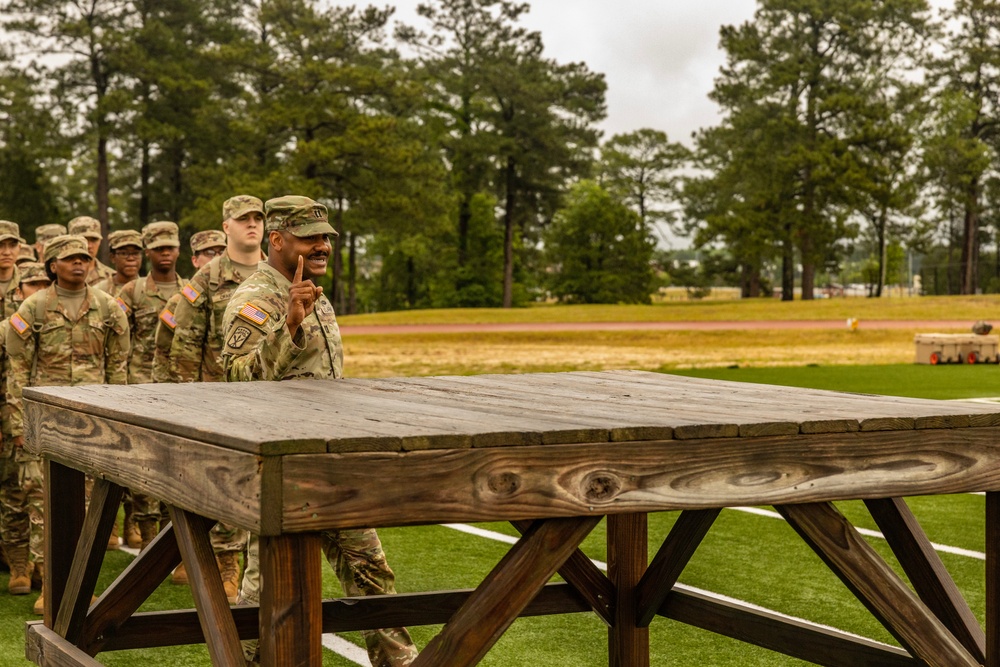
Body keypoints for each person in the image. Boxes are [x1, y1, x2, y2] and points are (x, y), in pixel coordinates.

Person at [222, 195, 418, 667]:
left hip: (329, 465)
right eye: (310, 238)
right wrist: (287, 325)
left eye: (326, 237)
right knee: (266, 591)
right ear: (277, 239)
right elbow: (236, 376)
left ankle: (398, 662)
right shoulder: (255, 299)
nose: (323, 246)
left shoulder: (316, 293)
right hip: (281, 471)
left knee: (370, 570)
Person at [4, 235, 129, 615]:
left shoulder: (109, 307)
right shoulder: (34, 307)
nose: (79, 263)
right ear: (52, 265)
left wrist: (118, 420)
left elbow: (118, 369)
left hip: (93, 422)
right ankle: (50, 584)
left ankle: (81, 585)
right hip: (48, 420)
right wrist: (19, 424)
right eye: (70, 258)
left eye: (84, 257)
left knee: (90, 506)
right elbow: (17, 369)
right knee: (44, 504)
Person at [151, 229, 227, 384]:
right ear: (195, 260)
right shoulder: (179, 301)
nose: (217, 258)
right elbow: (163, 354)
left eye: (222, 252)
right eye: (210, 253)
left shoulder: (239, 295)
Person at [66, 216, 115, 286]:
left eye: (94, 240)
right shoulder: (58, 275)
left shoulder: (111, 277)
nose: (89, 246)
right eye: (83, 240)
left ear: (100, 241)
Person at [93, 230, 143, 297]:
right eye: (124, 253)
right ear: (112, 257)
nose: (131, 258)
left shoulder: (149, 290)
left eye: (135, 253)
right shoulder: (98, 291)